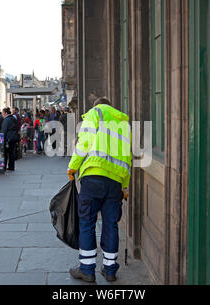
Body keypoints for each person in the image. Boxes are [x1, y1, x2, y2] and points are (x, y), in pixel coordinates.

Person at [67, 97, 132, 283]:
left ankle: (87, 269)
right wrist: (125, 186)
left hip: (93, 176)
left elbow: (84, 143)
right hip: (115, 182)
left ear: (96, 106)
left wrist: (72, 166)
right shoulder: (123, 123)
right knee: (111, 224)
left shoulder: (96, 114)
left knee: (87, 221)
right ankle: (110, 270)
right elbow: (127, 158)